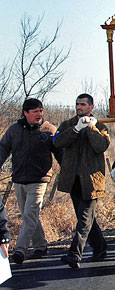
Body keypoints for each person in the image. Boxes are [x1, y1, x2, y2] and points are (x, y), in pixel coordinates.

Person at [0, 98, 61, 264]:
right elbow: (3, 149)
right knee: (30, 216)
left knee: (29, 214)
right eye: (35, 112)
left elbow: (60, 152)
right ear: (25, 113)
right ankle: (41, 245)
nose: (39, 114)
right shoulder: (14, 130)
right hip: (19, 179)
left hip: (40, 179)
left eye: (41, 111)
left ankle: (20, 249)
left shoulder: (48, 129)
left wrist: (69, 172)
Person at [54, 94, 110, 269]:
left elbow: (101, 146)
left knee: (85, 219)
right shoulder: (67, 125)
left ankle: (74, 254)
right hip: (73, 180)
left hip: (92, 180)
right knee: (84, 219)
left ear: (91, 107)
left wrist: (91, 128)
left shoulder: (100, 126)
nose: (79, 107)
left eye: (83, 105)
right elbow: (58, 142)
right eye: (77, 104)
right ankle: (100, 247)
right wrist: (76, 129)